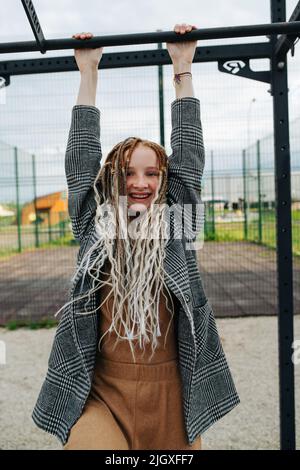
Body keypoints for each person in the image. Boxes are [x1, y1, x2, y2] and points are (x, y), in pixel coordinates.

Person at [32, 24, 240, 450]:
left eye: (151, 173)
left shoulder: (178, 224)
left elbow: (190, 154)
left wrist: (182, 64)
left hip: (171, 394)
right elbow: (80, 160)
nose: (139, 182)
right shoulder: (95, 225)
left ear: (165, 182)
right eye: (127, 172)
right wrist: (88, 71)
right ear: (112, 179)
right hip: (104, 394)